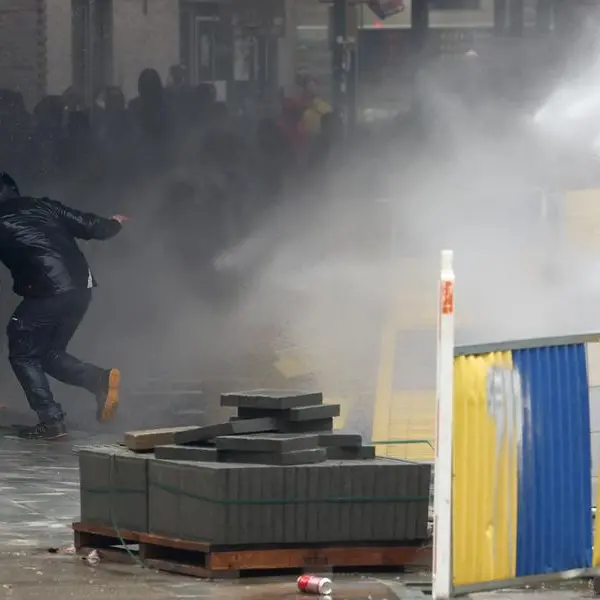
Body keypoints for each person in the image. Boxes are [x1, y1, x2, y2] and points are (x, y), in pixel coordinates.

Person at [0, 172, 127, 440]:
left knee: (22, 348)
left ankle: (51, 421)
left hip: (48, 290)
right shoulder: (42, 205)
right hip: (81, 287)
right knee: (47, 353)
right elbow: (90, 225)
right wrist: (114, 223)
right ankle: (100, 380)